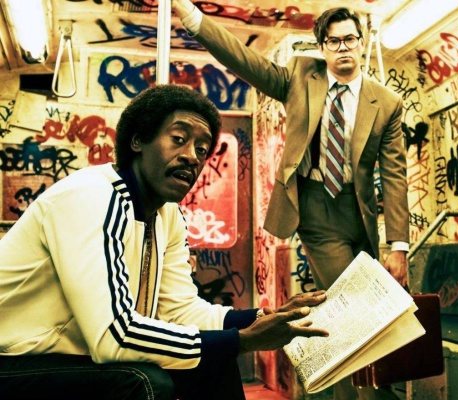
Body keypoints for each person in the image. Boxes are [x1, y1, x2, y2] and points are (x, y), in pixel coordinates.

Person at [0, 85, 328, 400]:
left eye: (202, 150)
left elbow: (179, 310)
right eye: (178, 139)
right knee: (145, 383)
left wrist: (261, 317)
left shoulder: (167, 215)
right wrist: (241, 340)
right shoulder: (90, 196)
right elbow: (114, 336)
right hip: (13, 358)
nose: (192, 157)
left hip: (66, 356)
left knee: (214, 359)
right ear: (138, 140)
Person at [171, 1, 409, 399]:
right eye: (334, 41)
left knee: (368, 313)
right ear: (323, 47)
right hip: (317, 210)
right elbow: (245, 60)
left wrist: (398, 245)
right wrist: (195, 20)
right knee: (351, 310)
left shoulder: (386, 103)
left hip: (361, 215)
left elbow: (395, 173)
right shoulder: (300, 78)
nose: (343, 48)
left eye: (350, 39)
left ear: (362, 42)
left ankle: (360, 391)